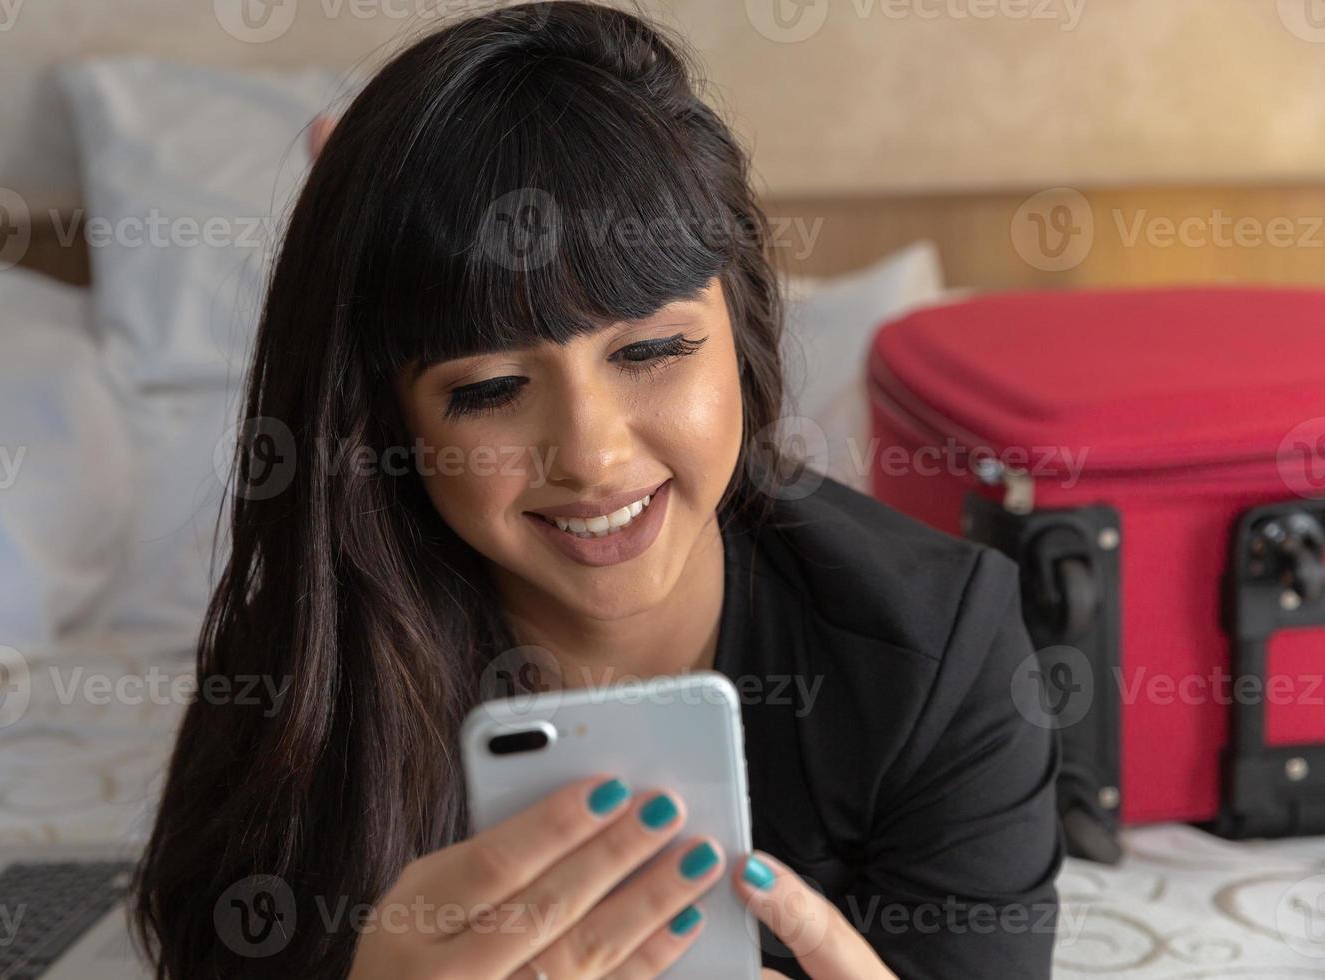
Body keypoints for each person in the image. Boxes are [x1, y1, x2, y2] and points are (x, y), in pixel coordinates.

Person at [132, 3, 1064, 978]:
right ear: (390, 421)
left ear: (741, 331)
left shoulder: (937, 648)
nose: (591, 456)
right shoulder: (320, 637)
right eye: (490, 389)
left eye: (652, 351)